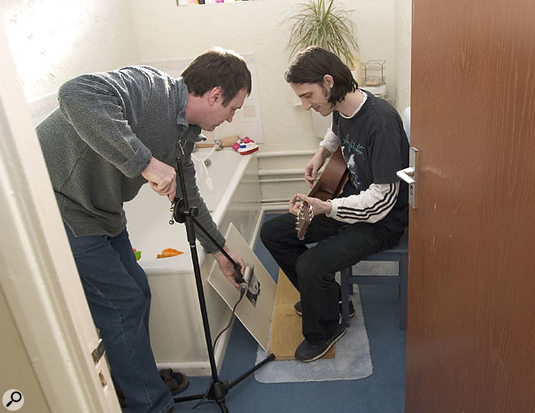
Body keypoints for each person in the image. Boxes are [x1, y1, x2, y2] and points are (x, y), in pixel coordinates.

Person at [36, 47, 251, 413]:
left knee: (137, 289)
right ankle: (150, 404)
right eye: (233, 109)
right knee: (122, 303)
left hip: (102, 210)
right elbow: (74, 93)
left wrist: (221, 252)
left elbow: (190, 199)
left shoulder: (185, 134)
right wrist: (146, 163)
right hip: (58, 203)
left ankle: (134, 379)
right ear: (215, 95)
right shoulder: (149, 87)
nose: (231, 119)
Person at [260, 46, 409, 363]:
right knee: (274, 232)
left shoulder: (381, 124)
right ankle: (330, 301)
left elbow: (382, 200)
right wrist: (321, 153)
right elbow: (336, 132)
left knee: (311, 265)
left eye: (307, 95)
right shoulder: (345, 107)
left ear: (328, 82)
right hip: (351, 202)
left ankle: (326, 329)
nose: (305, 104)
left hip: (381, 221)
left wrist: (328, 208)